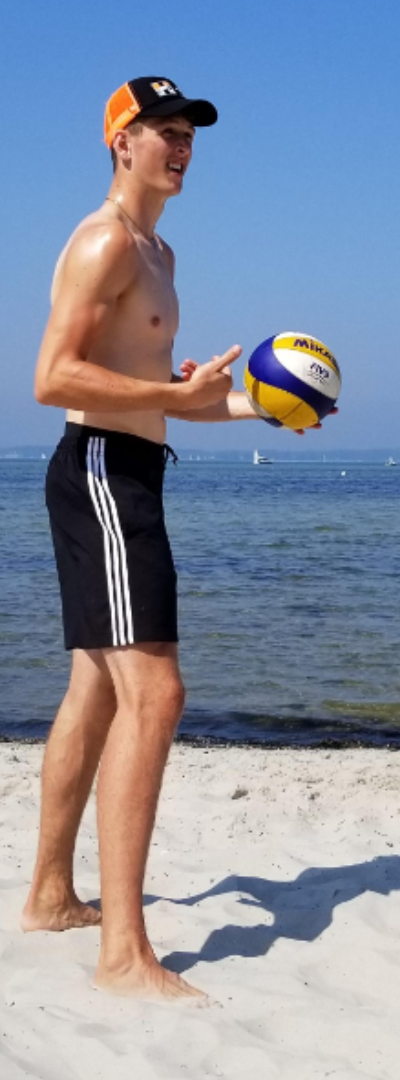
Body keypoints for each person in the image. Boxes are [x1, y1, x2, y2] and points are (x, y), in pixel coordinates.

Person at [22, 76, 259, 1002]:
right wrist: (170, 394)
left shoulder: (159, 252)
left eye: (189, 131)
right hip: (102, 477)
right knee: (156, 692)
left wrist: (255, 408)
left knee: (95, 688)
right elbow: (53, 376)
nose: (182, 144)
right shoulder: (105, 242)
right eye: (164, 129)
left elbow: (157, 403)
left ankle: (49, 896)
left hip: (127, 469)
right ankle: (124, 955)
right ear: (122, 141)